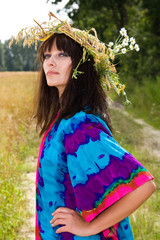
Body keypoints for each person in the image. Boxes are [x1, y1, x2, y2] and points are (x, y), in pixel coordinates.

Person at [10, 12, 156, 240]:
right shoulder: (63, 120)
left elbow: (143, 186)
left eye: (62, 54)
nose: (50, 61)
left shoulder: (80, 125)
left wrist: (88, 227)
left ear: (81, 65)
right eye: (47, 55)